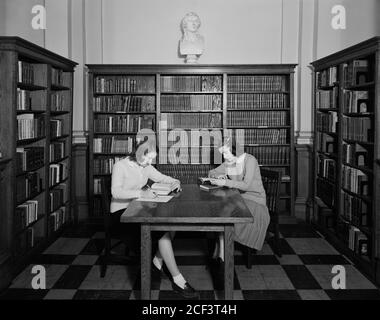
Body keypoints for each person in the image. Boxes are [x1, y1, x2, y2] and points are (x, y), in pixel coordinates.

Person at [110, 141, 199, 299]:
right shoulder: (120, 166)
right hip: (121, 215)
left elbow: (161, 177)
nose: (150, 163)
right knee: (163, 233)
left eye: (152, 159)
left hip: (138, 209)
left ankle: (156, 263)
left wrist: (174, 182)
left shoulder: (146, 166)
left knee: (171, 224)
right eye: (148, 158)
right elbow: (116, 192)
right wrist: (141, 194)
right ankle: (178, 280)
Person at [207, 139, 270, 263]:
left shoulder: (250, 160)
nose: (224, 157)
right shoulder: (229, 162)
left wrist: (225, 182)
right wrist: (217, 176)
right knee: (221, 212)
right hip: (238, 198)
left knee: (225, 213)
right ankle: (222, 253)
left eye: (225, 153)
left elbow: (246, 185)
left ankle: (222, 253)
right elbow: (212, 172)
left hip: (255, 201)